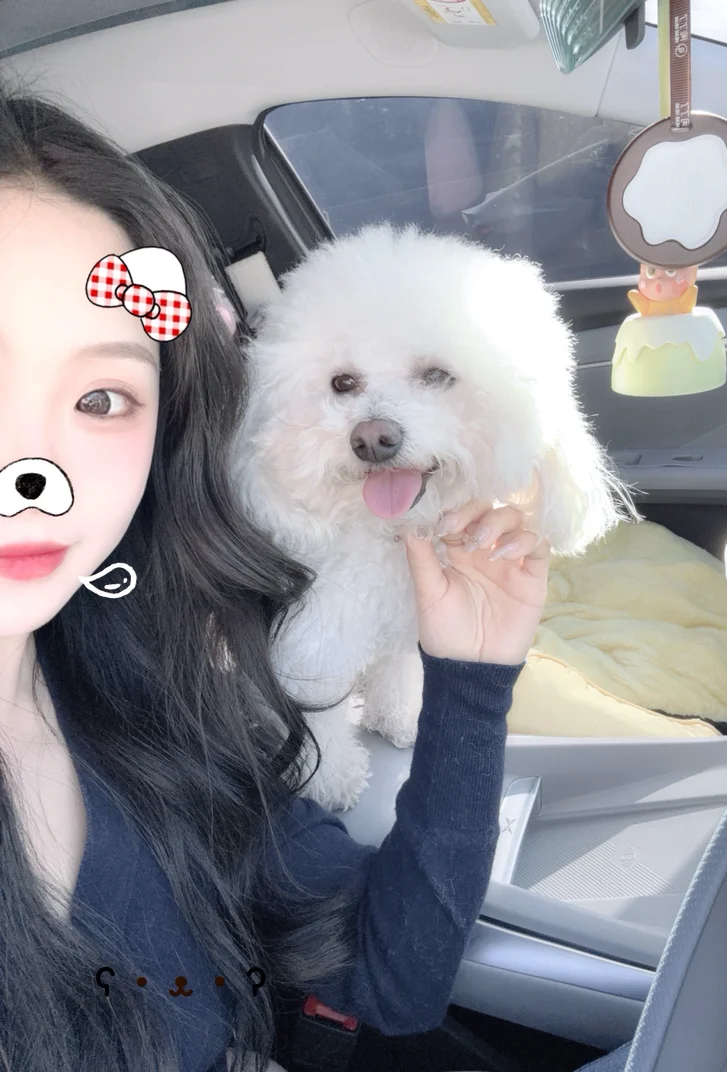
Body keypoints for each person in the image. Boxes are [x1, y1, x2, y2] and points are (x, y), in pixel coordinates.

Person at [0, 86, 628, 1072]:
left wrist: (470, 680)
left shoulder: (145, 686)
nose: (36, 468)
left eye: (102, 396)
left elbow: (391, 979)